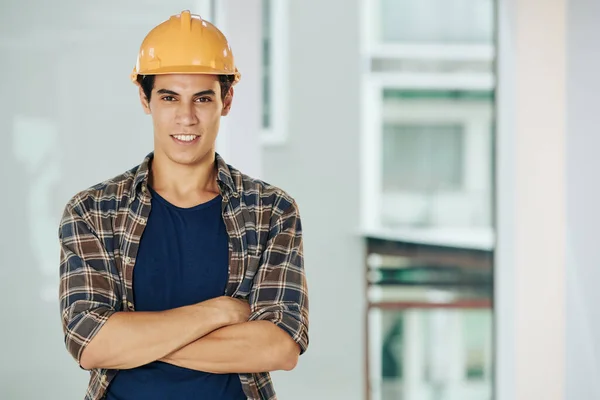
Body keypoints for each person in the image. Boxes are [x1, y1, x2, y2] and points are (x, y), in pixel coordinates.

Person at [58, 10, 309, 400]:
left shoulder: (270, 211)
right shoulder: (93, 212)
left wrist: (137, 342)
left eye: (203, 98)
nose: (186, 117)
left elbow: (279, 347)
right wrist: (219, 313)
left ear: (226, 100)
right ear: (146, 99)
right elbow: (90, 343)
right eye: (169, 97)